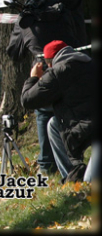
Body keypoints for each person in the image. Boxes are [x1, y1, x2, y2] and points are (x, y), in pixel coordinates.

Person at [7, 0, 80, 175]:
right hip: (71, 68)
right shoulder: (64, 10)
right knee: (65, 113)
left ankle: (47, 165)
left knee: (43, 110)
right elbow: (77, 37)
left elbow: (14, 51)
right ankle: (73, 160)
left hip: (43, 68)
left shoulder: (26, 16)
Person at [21, 40, 96, 183]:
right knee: (54, 124)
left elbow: (27, 100)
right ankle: (73, 174)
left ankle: (73, 175)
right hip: (87, 122)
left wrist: (34, 78)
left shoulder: (57, 72)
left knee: (88, 183)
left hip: (84, 126)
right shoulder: (91, 64)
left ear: (50, 63)